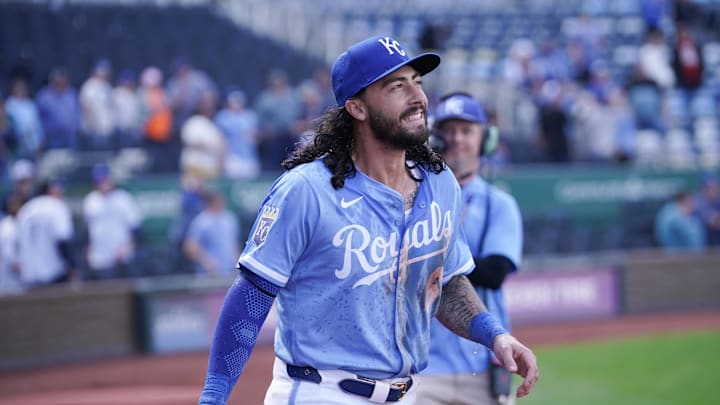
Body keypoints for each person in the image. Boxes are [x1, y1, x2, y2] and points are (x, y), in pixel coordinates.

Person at [198, 35, 538, 405]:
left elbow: (447, 282)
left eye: (417, 83)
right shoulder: (306, 190)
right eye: (396, 86)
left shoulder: (440, 184)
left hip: (404, 393)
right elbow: (251, 298)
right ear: (357, 108)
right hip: (320, 391)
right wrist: (214, 397)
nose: (417, 97)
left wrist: (496, 335)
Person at [416, 93, 523, 405]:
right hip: (422, 366)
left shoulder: (499, 204)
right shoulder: (414, 198)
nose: (456, 140)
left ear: (485, 140)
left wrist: (432, 264)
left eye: (466, 131)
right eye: (448, 131)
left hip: (483, 364)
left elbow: (495, 272)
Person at [82, 164, 143, 280]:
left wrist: (127, 248)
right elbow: (87, 230)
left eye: (105, 180)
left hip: (122, 256)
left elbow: (136, 228)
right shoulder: (90, 200)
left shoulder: (123, 198)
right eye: (100, 181)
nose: (103, 184)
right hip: (99, 257)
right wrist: (88, 252)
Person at [16, 178, 77, 288]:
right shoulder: (56, 206)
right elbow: (63, 240)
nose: (61, 191)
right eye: (58, 188)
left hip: (29, 275)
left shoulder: (25, 210)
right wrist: (72, 267)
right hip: (54, 273)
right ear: (50, 190)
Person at [183, 189, 239, 276]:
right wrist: (207, 262)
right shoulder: (201, 221)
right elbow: (190, 247)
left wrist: (238, 264)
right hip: (208, 277)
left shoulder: (230, 218)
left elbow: (233, 245)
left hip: (229, 274)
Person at [695, 173, 720, 246]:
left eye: (714, 187)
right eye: (708, 187)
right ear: (703, 188)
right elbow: (715, 223)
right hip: (705, 246)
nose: (712, 190)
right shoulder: (699, 202)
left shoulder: (718, 200)